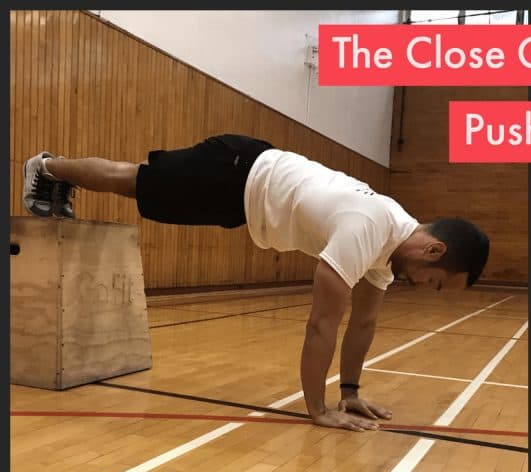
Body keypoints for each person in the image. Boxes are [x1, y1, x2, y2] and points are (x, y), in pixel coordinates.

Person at [23, 134, 490, 430]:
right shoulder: (369, 226)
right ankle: (46, 167)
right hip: (235, 171)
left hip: (243, 190)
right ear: (434, 251)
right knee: (136, 183)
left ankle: (55, 177)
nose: (425, 288)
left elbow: (363, 325)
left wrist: (348, 393)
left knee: (140, 187)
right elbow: (321, 325)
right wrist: (317, 409)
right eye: (435, 283)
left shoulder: (388, 249)